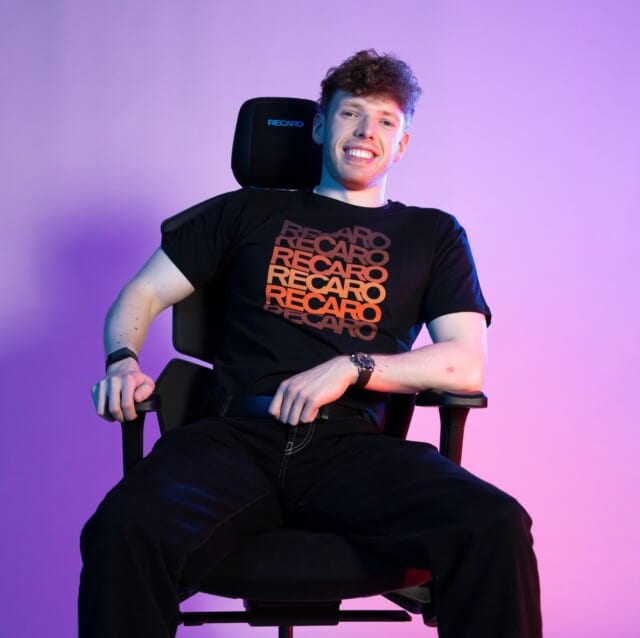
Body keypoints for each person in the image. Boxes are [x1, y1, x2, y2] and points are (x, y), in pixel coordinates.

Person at [80, 50, 542, 637]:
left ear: (401, 144)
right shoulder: (247, 211)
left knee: (495, 524)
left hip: (352, 448)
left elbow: (465, 363)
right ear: (321, 126)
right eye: (351, 114)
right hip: (234, 439)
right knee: (122, 527)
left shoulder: (432, 233)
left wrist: (352, 367)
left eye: (385, 121)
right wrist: (122, 361)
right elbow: (142, 293)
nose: (366, 131)